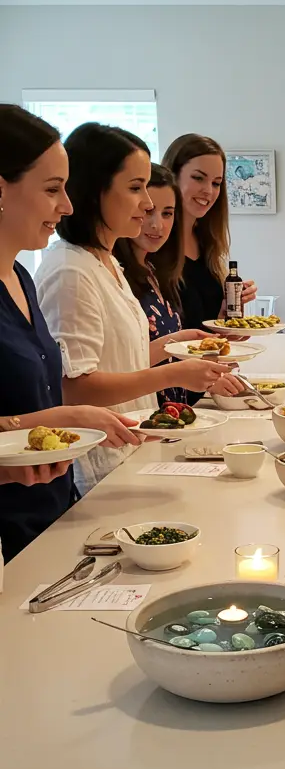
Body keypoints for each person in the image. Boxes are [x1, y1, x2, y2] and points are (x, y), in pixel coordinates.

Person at [35, 123, 236, 494]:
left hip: (130, 452)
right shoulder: (70, 270)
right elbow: (74, 387)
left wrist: (174, 345)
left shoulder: (108, 263)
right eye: (135, 187)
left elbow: (118, 360)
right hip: (97, 469)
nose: (146, 204)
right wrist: (174, 374)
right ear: (96, 191)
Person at [0, 105, 141, 560]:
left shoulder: (20, 278)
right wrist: (58, 420)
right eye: (51, 189)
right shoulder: (64, 268)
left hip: (51, 518)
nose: (66, 205)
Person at [114, 163, 247, 406]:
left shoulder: (154, 272)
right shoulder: (115, 275)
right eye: (148, 211)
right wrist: (178, 350)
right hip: (139, 417)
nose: (157, 225)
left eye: (167, 213)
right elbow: (119, 364)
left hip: (174, 412)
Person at [161, 133, 257, 329]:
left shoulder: (208, 245)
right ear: (173, 176)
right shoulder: (153, 244)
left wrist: (227, 315)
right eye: (198, 178)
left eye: (216, 183)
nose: (209, 191)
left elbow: (209, 330)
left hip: (209, 359)